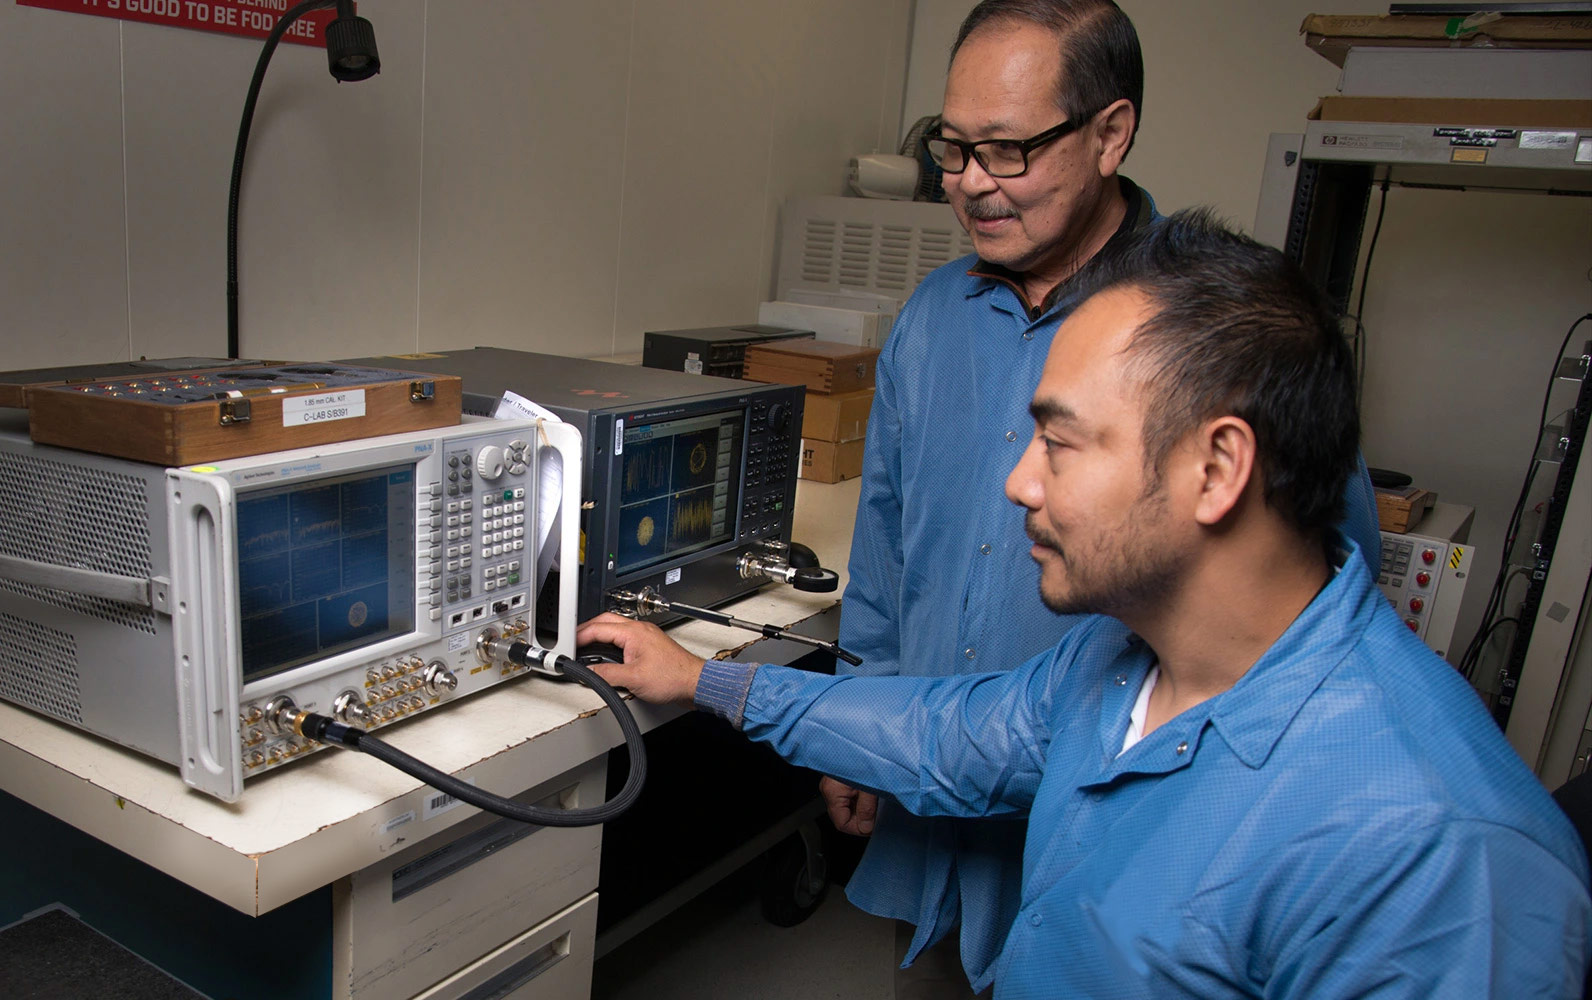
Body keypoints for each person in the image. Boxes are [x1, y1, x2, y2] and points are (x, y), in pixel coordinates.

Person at [581, 212, 1591, 998]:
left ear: (1216, 468)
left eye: (1059, 443)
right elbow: (948, 734)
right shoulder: (1122, 664)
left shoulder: (1436, 859)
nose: (1018, 482)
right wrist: (708, 682)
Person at [836, 2, 1383, 993]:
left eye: (1007, 150)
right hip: (935, 783)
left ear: (1109, 133)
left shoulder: (1217, 324)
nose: (970, 182)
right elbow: (885, 540)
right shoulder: (931, 317)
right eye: (951, 149)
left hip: (1121, 826)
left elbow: (1322, 588)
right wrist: (856, 717)